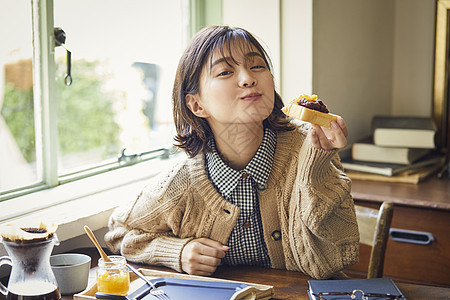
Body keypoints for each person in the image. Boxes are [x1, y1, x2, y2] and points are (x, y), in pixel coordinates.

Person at [105, 25, 359, 279]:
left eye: (257, 66)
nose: (248, 78)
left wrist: (316, 167)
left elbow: (329, 261)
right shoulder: (181, 182)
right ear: (196, 104)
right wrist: (178, 252)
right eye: (225, 71)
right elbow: (119, 234)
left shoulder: (313, 147)